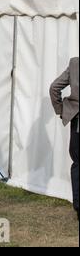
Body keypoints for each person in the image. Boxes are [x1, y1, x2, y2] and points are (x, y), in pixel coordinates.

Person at [49, 57, 79, 220]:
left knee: (78, 164)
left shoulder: (75, 63)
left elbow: (54, 88)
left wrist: (61, 110)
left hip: (78, 121)